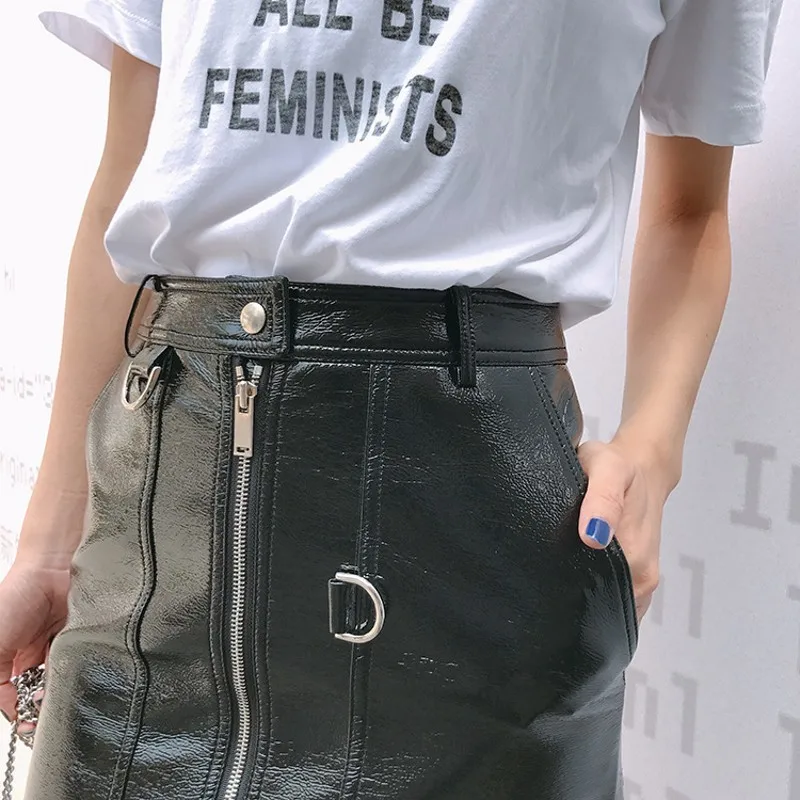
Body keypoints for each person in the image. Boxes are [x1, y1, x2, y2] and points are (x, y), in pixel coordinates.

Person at [0, 0, 785, 798]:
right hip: (157, 544)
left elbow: (692, 211)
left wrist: (652, 452)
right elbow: (125, 181)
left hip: (477, 564)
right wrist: (49, 553)